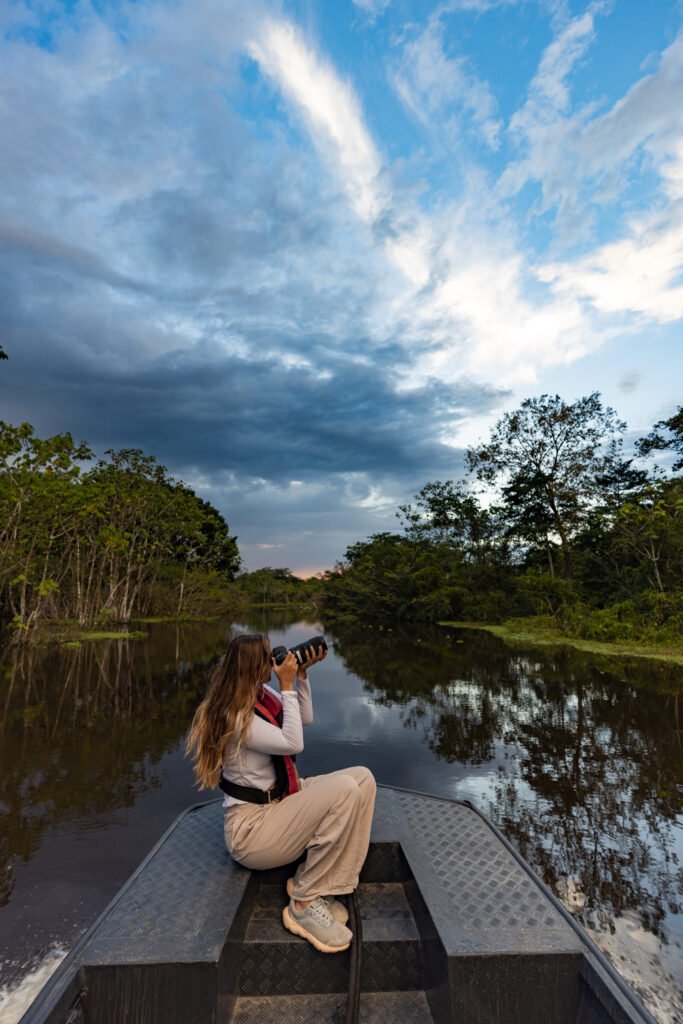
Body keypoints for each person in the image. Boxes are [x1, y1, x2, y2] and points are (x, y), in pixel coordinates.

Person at [186, 632, 376, 954]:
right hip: (253, 830)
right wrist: (286, 686)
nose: (274, 661)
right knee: (344, 791)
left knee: (363, 779)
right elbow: (293, 743)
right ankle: (302, 905)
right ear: (253, 666)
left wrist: (300, 678)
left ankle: (319, 884)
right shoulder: (237, 716)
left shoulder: (261, 695)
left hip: (280, 801)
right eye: (266, 657)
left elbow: (301, 721)